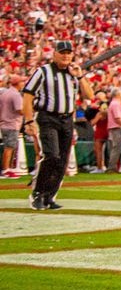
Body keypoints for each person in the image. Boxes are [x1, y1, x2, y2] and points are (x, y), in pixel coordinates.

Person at [21, 40, 94, 209]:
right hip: (48, 117)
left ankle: (50, 196)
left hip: (67, 119)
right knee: (51, 155)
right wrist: (29, 120)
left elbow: (89, 95)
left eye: (69, 53)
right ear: (55, 54)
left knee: (62, 161)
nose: (66, 56)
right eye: (62, 52)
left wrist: (80, 76)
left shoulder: (73, 75)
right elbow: (28, 95)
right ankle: (38, 193)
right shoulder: (43, 72)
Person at [0, 74, 23, 176]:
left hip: (4, 122)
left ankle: (7, 168)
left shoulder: (5, 93)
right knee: (9, 147)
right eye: (22, 82)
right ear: (17, 83)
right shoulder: (15, 95)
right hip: (12, 123)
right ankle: (5, 169)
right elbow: (20, 110)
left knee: (8, 147)